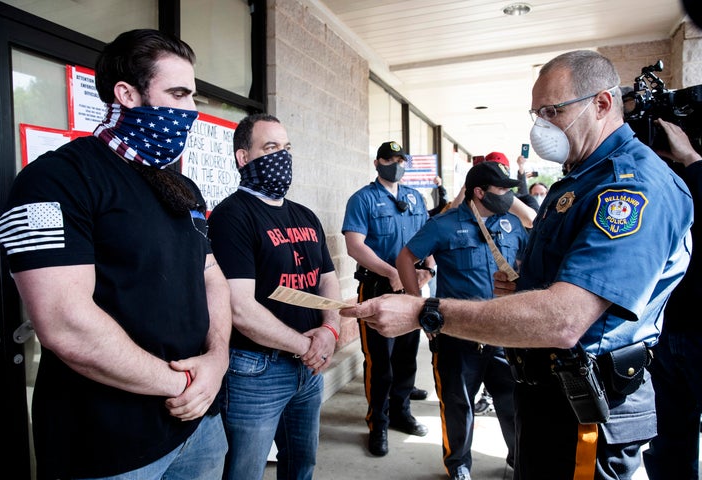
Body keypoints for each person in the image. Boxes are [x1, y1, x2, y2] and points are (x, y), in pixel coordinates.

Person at [340, 50, 693, 479]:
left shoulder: (630, 187)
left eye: (553, 111)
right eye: (537, 112)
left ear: (601, 104)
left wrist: (424, 311)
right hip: (546, 393)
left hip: (587, 407)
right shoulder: (582, 178)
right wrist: (526, 286)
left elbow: (566, 320)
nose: (541, 125)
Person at [0, 29, 232, 480]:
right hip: (106, 444)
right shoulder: (55, 180)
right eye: (177, 93)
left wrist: (217, 362)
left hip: (200, 426)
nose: (191, 111)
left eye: (193, 96)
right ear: (127, 94)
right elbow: (64, 323)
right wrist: (185, 384)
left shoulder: (181, 187)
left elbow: (211, 274)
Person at [207, 113, 342, 480]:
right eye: (270, 148)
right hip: (256, 372)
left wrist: (329, 331)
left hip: (309, 368)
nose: (282, 156)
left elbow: (328, 281)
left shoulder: (306, 216)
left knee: (301, 465)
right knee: (243, 471)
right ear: (243, 158)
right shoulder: (231, 216)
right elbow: (239, 307)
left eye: (286, 148)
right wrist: (305, 345)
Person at [397, 161, 525, 480]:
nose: (507, 195)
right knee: (458, 404)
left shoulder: (512, 224)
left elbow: (526, 263)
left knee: (512, 403)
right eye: (501, 190)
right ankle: (458, 465)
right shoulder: (445, 225)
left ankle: (518, 458)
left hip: (504, 335)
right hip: (457, 335)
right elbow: (405, 258)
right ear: (479, 192)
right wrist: (418, 304)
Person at [342, 141, 432, 457]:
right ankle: (377, 422)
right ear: (378, 162)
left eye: (401, 160)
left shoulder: (415, 197)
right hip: (378, 287)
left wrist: (429, 268)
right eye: (391, 159)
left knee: (407, 357)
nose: (397, 164)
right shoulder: (362, 199)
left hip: (412, 288)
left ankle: (401, 412)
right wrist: (392, 272)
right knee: (380, 362)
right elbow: (355, 245)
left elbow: (427, 237)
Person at [642, 118, 702, 479]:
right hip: (664, 332)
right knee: (668, 444)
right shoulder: (660, 183)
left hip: (695, 332)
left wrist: (693, 160)